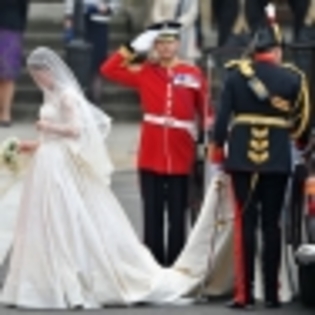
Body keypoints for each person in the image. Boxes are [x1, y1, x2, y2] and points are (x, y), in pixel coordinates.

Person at [0, 46, 227, 309]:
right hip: (49, 162)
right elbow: (50, 138)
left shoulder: (68, 96)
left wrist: (48, 127)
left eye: (40, 74)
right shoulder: (49, 96)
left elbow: (76, 129)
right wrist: (31, 144)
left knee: (76, 220)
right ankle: (48, 280)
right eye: (34, 76)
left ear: (49, 71)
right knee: (48, 221)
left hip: (69, 164)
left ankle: (85, 277)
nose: (38, 80)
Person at [209, 10, 311, 309]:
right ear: (277, 51)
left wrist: (217, 148)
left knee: (245, 224)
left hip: (241, 156)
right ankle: (271, 294)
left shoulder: (235, 74)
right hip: (278, 157)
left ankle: (244, 294)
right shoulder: (294, 78)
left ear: (255, 52)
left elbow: (222, 119)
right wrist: (300, 142)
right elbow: (303, 124)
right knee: (272, 226)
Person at [101, 21, 212, 267]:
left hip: (181, 151)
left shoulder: (193, 74)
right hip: (151, 152)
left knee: (177, 213)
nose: (165, 47)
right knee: (152, 212)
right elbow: (108, 69)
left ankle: (176, 263)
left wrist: (206, 145)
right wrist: (133, 47)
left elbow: (205, 112)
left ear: (177, 44)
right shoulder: (145, 71)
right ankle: (152, 264)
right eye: (160, 43)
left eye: (170, 42)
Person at [64, 0, 119, 104]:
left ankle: (95, 100)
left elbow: (115, 5)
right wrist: (68, 18)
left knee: (97, 63)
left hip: (99, 22)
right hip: (79, 20)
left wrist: (109, 8)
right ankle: (78, 101)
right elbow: (70, 5)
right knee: (77, 61)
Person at [0, 0, 30, 126]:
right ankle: (5, 114)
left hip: (11, 28)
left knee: (8, 74)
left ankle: (6, 113)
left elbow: (23, 9)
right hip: (12, 27)